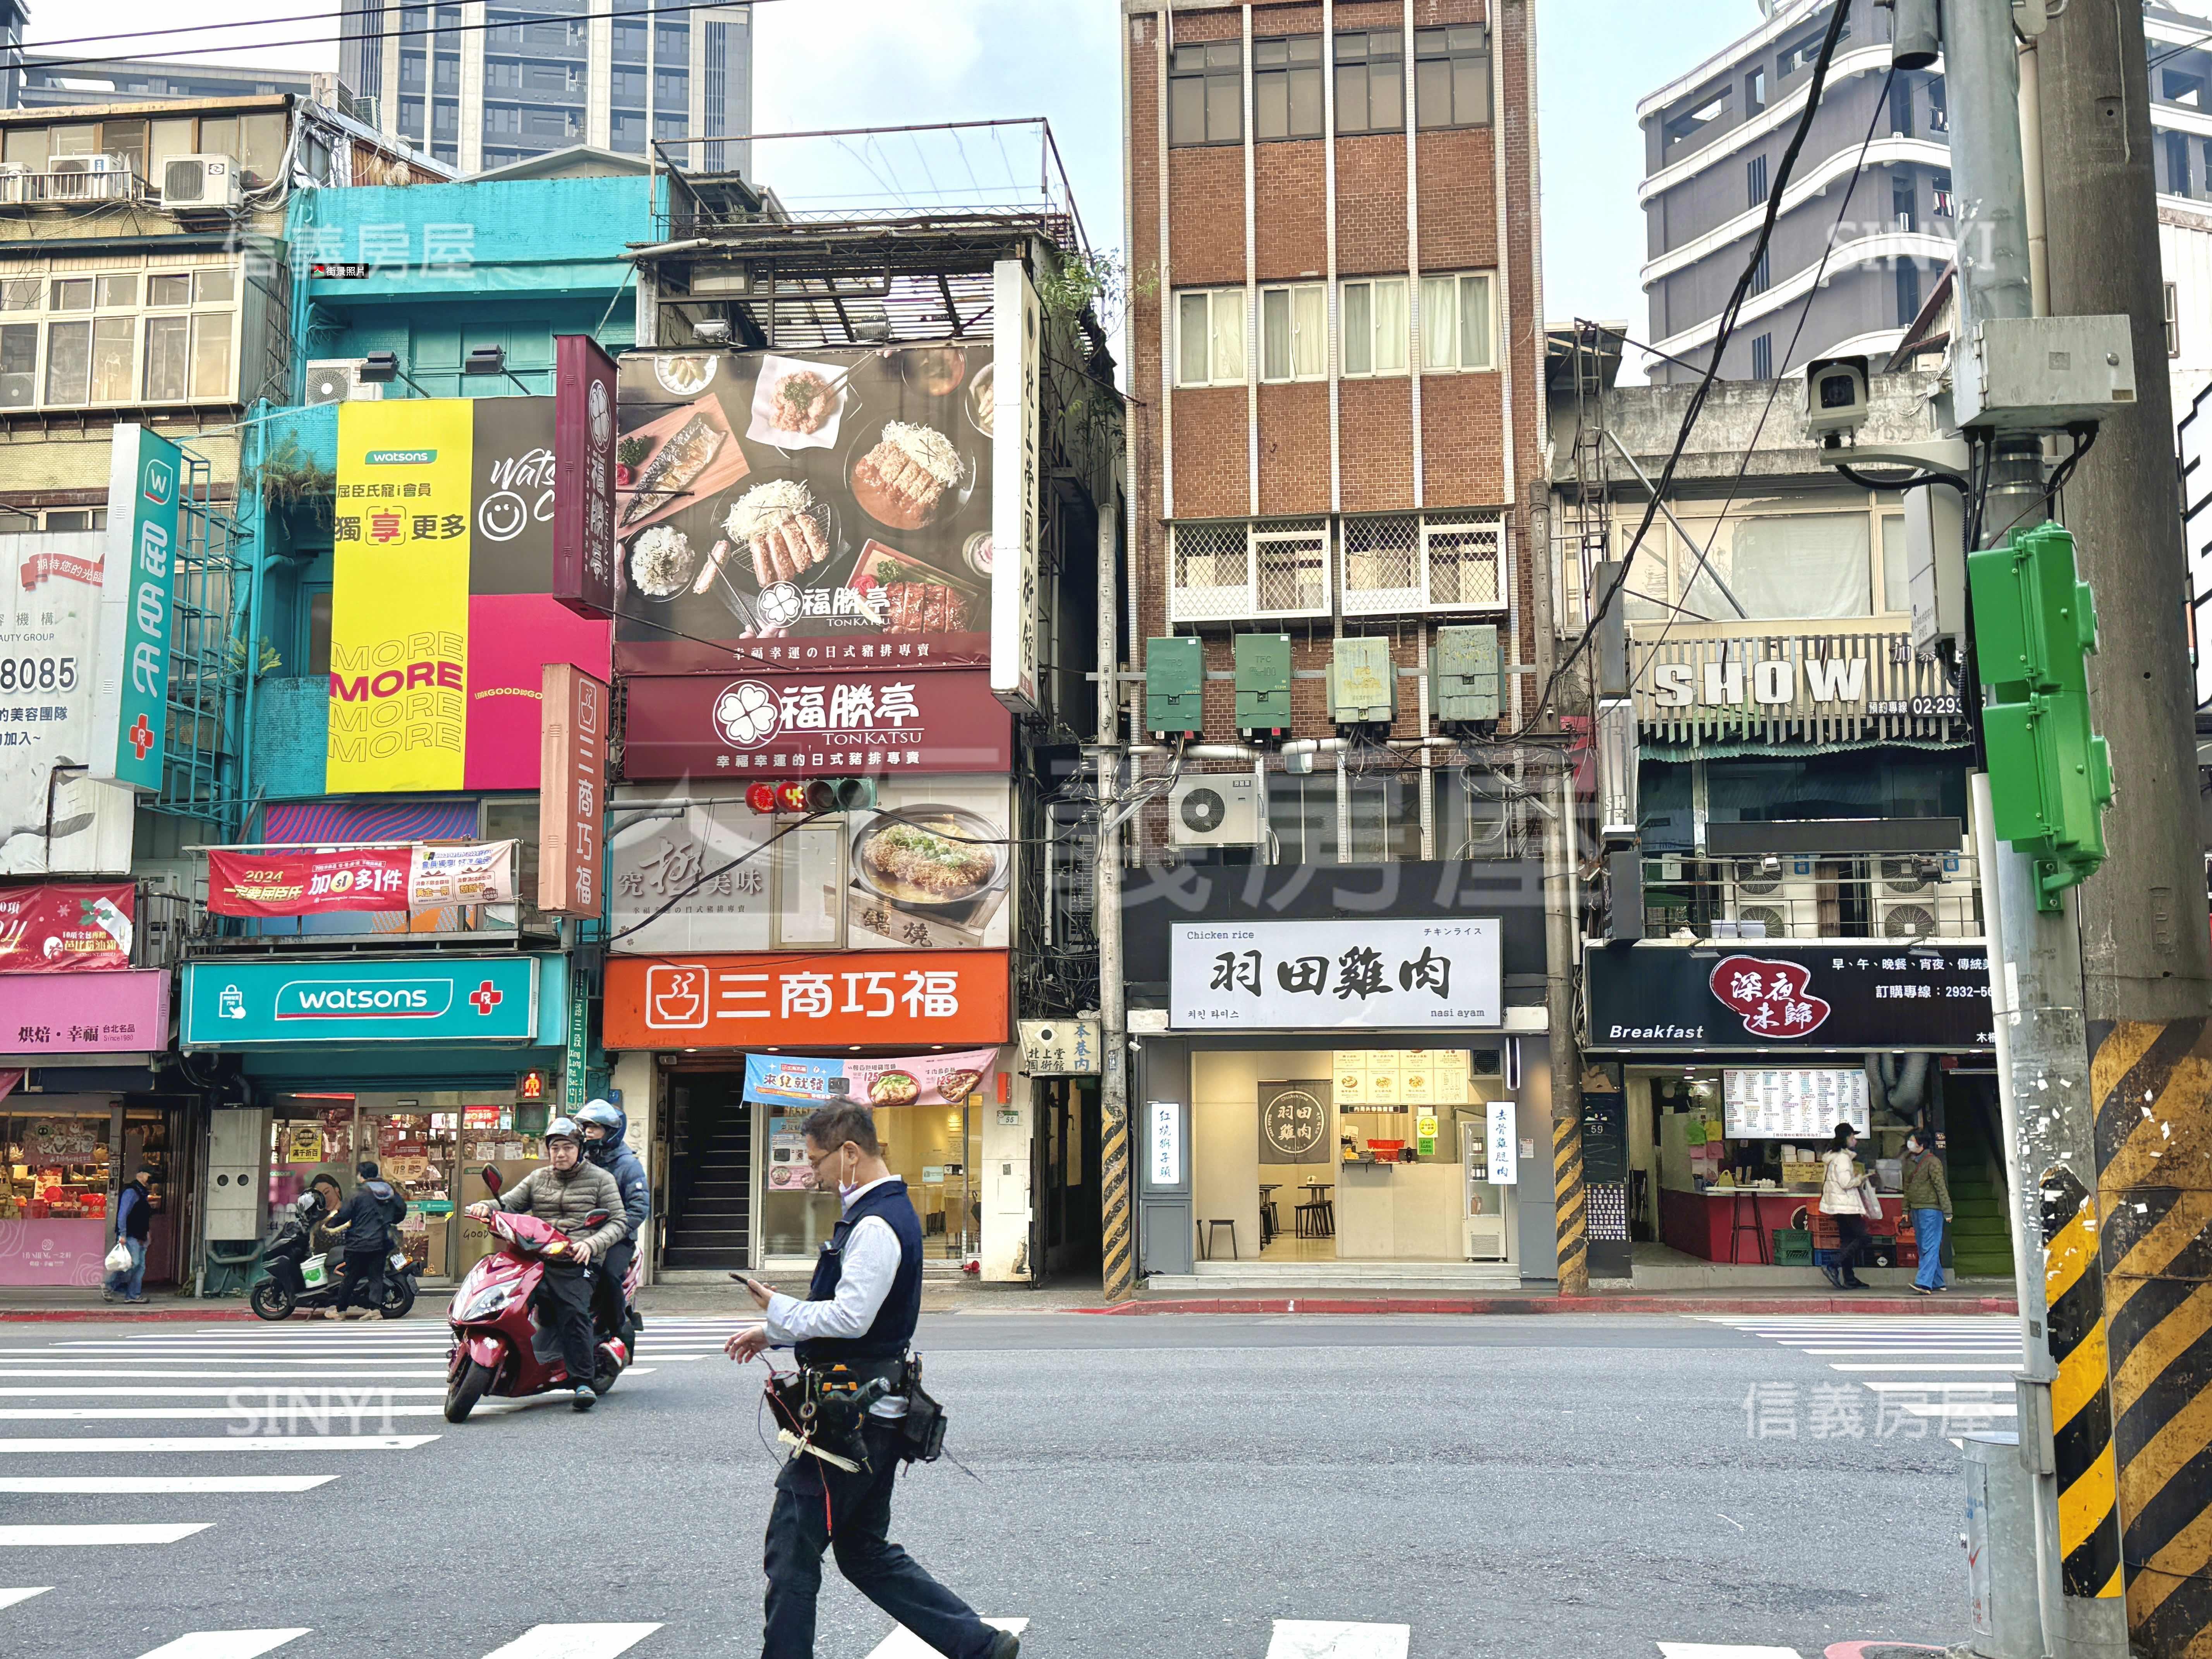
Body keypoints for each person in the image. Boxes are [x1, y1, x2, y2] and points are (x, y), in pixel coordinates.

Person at [725, 1101, 1018, 1659]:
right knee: (862, 1552)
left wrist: (780, 1312)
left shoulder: (877, 1222)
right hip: (874, 1411)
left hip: (851, 1418)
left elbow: (851, 1317)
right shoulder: (878, 1213)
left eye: (817, 1161)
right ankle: (977, 1645)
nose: (813, 1173)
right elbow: (858, 1321)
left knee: (792, 1545)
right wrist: (776, 1333)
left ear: (851, 1154)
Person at [465, 1117, 627, 1410]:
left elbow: (619, 1221)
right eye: (555, 1148)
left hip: (575, 1259)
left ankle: (582, 1381)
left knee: (572, 1310)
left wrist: (591, 1244)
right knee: (502, 1294)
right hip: (536, 1254)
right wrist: (484, 1207)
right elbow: (509, 1204)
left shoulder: (602, 1179)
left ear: (580, 1148)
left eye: (567, 1147)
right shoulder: (539, 1178)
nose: (561, 1154)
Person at [575, 1099, 647, 1343]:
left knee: (608, 1274)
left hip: (619, 1240)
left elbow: (639, 1207)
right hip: (582, 1234)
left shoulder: (628, 1165)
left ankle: (619, 1327)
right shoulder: (582, 1161)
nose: (589, 1132)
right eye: (587, 1127)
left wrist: (614, 1232)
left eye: (595, 1127)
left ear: (611, 1132)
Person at [325, 1160, 404, 1321]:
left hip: (358, 1243)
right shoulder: (389, 1190)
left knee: (350, 1277)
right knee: (376, 1276)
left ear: (361, 1176)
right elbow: (401, 1209)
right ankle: (375, 1310)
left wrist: (330, 1224)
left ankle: (340, 1311)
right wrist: (391, 1220)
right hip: (381, 1242)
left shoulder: (358, 1193)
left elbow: (344, 1214)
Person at [1820, 1122, 1875, 1291]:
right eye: (1853, 1136)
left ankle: (1849, 1279)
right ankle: (1833, 1265)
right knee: (1864, 1237)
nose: (1855, 1140)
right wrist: (1861, 1179)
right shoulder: (1843, 1159)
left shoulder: (1834, 1157)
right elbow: (1845, 1183)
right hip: (1847, 1205)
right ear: (1845, 1139)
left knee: (1848, 1241)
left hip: (1838, 1205)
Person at [1901, 1128, 1954, 1295]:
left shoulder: (1933, 1162)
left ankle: (1924, 1283)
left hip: (1932, 1210)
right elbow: (1907, 1188)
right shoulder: (1911, 1162)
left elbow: (1941, 1187)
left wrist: (1948, 1211)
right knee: (1925, 1245)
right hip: (1917, 1209)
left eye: (1913, 1140)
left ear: (1922, 1144)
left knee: (1929, 1245)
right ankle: (1938, 1282)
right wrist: (1906, 1209)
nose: (1909, 1143)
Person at [103, 1166, 155, 1303]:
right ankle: (109, 1285)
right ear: (141, 1175)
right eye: (149, 1175)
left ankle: (133, 1295)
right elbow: (123, 1214)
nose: (151, 1179)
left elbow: (143, 1216)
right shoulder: (132, 1192)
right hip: (131, 1234)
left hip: (141, 1235)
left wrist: (147, 1234)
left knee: (140, 1266)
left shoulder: (142, 1192)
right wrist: (123, 1234)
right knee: (133, 1264)